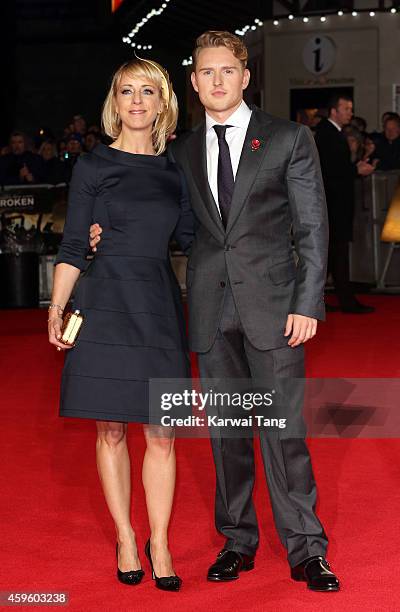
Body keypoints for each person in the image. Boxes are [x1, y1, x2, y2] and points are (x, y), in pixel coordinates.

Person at [91, 31, 340, 592]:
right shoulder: (179, 150)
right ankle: (238, 539)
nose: (218, 81)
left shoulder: (288, 138)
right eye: (206, 72)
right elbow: (176, 226)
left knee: (282, 431)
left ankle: (305, 548)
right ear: (195, 81)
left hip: (276, 309)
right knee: (227, 434)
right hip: (208, 309)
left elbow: (312, 226)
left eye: (228, 71)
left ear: (245, 76)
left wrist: (307, 302)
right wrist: (110, 231)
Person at [48, 58, 194, 591]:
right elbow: (70, 245)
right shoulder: (92, 165)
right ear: (115, 101)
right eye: (127, 90)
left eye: (147, 91)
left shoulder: (178, 167)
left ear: (163, 103)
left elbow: (197, 238)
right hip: (103, 299)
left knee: (162, 429)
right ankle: (126, 536)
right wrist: (56, 307)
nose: (137, 100)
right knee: (109, 426)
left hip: (157, 304)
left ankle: (160, 540)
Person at [315, 93, 376, 314]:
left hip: (335, 202)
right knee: (337, 252)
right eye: (346, 108)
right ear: (334, 111)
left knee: (333, 254)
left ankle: (321, 300)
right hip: (333, 204)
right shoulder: (327, 134)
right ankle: (346, 301)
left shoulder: (332, 132)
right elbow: (329, 170)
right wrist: (355, 170)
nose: (350, 112)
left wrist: (356, 168)